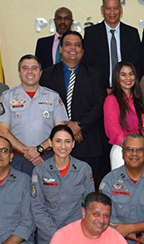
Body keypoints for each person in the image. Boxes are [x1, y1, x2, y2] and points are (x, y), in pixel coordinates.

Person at [39, 30, 107, 186]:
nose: (73, 48)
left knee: (87, 189)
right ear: (61, 49)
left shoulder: (95, 74)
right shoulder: (47, 75)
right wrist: (67, 128)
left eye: (77, 45)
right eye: (68, 44)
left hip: (88, 141)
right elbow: (44, 106)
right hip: (55, 143)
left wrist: (79, 125)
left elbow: (99, 105)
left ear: (82, 51)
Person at [0, 54, 68, 175]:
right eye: (25, 68)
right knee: (19, 193)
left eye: (34, 68)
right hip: (17, 159)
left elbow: (61, 131)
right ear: (19, 72)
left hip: (47, 157)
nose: (30, 71)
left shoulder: (53, 97)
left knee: (48, 193)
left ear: (40, 72)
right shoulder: (7, 97)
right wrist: (28, 152)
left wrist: (39, 150)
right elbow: (2, 131)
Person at [30, 125, 94, 244]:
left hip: (76, 234)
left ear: (73, 144)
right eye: (58, 141)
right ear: (51, 144)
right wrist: (56, 234)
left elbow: (89, 205)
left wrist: (74, 233)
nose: (63, 146)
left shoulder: (84, 169)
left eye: (67, 141)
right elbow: (37, 207)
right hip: (48, 235)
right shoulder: (40, 171)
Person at [83, 0, 142, 88]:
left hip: (127, 89)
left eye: (115, 8)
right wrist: (101, 89)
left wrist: (129, 86)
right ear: (102, 10)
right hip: (100, 90)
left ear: (121, 9)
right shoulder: (91, 33)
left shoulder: (131, 33)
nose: (112, 12)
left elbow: (138, 64)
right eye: (108, 8)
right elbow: (88, 65)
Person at [104, 61, 144, 170]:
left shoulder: (138, 100)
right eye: (123, 74)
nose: (128, 78)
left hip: (143, 148)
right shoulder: (111, 100)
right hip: (123, 150)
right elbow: (113, 131)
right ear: (117, 77)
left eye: (131, 74)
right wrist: (133, 150)